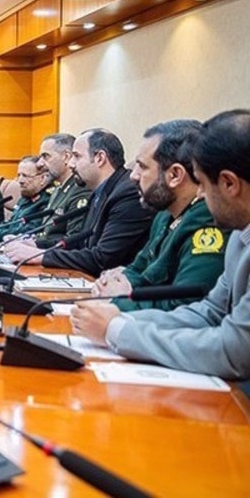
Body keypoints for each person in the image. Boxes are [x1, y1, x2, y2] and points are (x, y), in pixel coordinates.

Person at [72, 109, 250, 379]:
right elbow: (210, 311)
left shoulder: (222, 227)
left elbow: (234, 351)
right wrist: (117, 318)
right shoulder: (240, 234)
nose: (199, 194)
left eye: (201, 183)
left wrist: (118, 331)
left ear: (229, 183)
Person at [92, 119, 228, 311]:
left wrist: (118, 301)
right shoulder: (164, 214)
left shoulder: (207, 221)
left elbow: (186, 305)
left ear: (174, 175)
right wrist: (113, 283)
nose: (133, 175)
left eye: (143, 166)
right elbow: (139, 268)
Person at [4, 129, 155, 276]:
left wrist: (40, 255)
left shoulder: (128, 194)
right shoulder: (99, 191)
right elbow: (81, 242)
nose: (71, 164)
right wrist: (37, 245)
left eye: (76, 156)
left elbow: (102, 258)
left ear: (100, 158)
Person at [33, 133, 91, 247]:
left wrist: (36, 245)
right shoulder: (58, 189)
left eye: (46, 156)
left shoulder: (80, 190)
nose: (39, 164)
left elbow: (73, 240)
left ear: (66, 157)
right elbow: (46, 231)